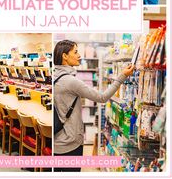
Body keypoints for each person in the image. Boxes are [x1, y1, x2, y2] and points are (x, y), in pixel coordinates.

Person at [54, 40, 135, 172]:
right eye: (75, 52)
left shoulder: (54, 76)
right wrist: (122, 76)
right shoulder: (71, 81)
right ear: (64, 56)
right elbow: (102, 98)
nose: (79, 55)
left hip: (56, 139)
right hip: (70, 144)